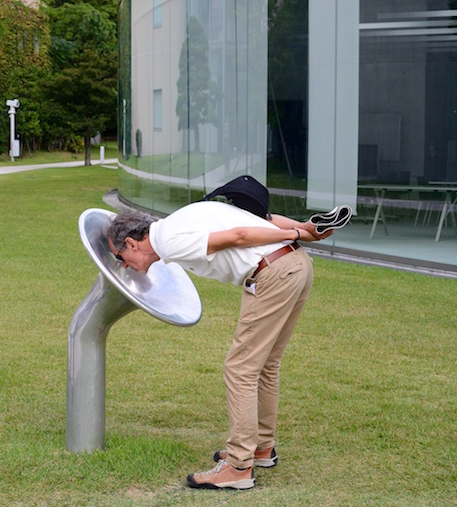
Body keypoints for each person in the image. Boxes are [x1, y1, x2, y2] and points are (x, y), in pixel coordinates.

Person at [106, 196, 349, 490]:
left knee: (239, 369)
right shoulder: (179, 221)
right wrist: (300, 231)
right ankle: (261, 448)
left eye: (120, 257)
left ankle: (238, 466)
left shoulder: (168, 241)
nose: (124, 265)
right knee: (266, 364)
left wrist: (298, 232)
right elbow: (264, 219)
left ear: (131, 243)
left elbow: (239, 235)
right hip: (296, 265)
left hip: (274, 271)